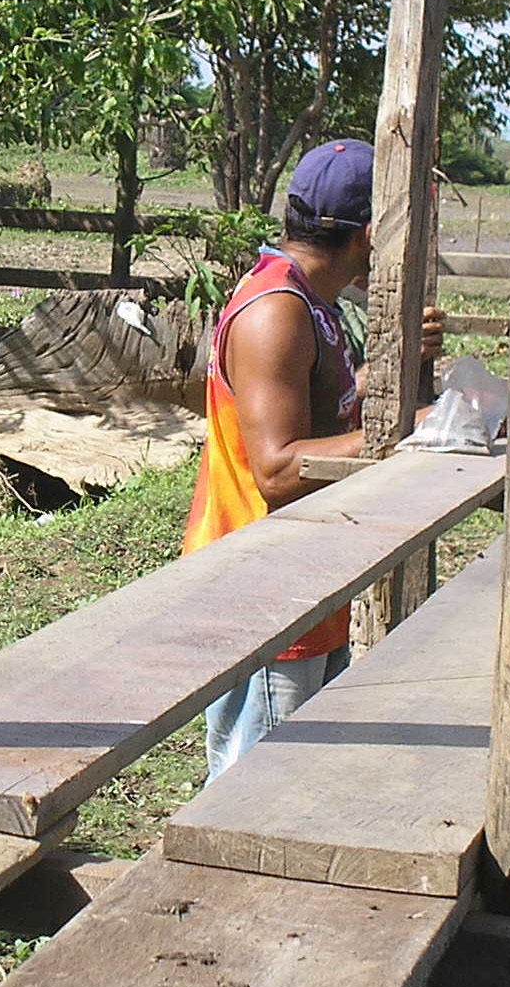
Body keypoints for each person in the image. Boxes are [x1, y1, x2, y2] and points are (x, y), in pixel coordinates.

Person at [183, 137, 439, 780]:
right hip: (264, 586)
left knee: (286, 776)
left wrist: (398, 372)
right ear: (374, 233)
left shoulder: (309, 303)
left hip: (301, 581)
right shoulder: (278, 313)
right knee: (255, 787)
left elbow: (323, 410)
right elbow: (275, 470)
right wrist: (406, 426)